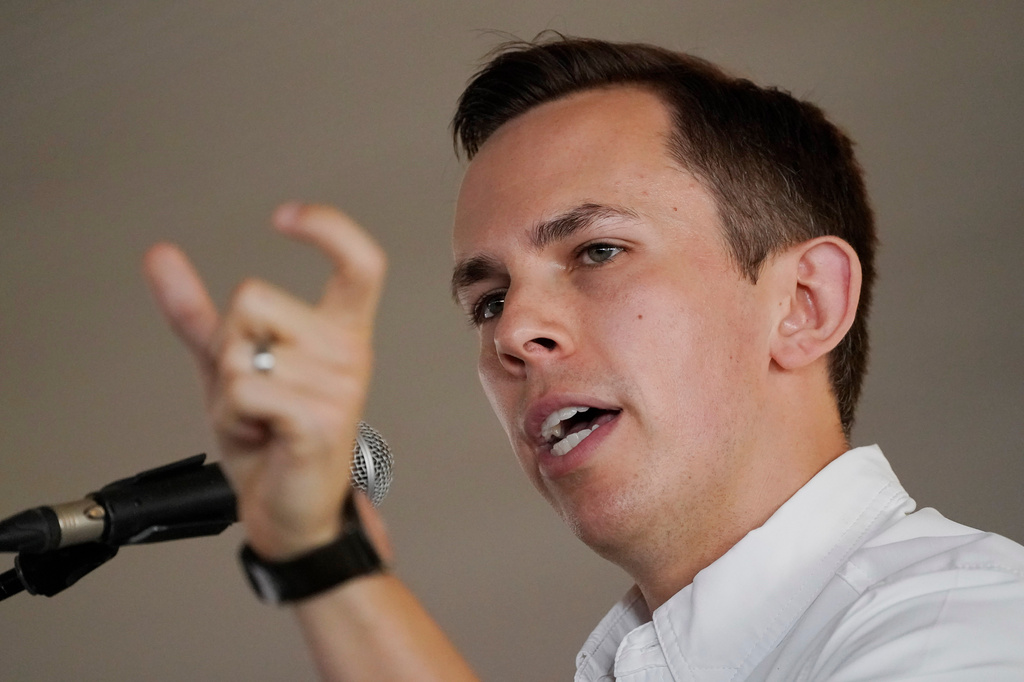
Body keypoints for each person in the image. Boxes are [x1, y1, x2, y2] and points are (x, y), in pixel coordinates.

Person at [143, 37, 1024, 681]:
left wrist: (325, 563)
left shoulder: (969, 629)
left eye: (597, 251)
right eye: (487, 300)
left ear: (804, 304)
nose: (512, 331)